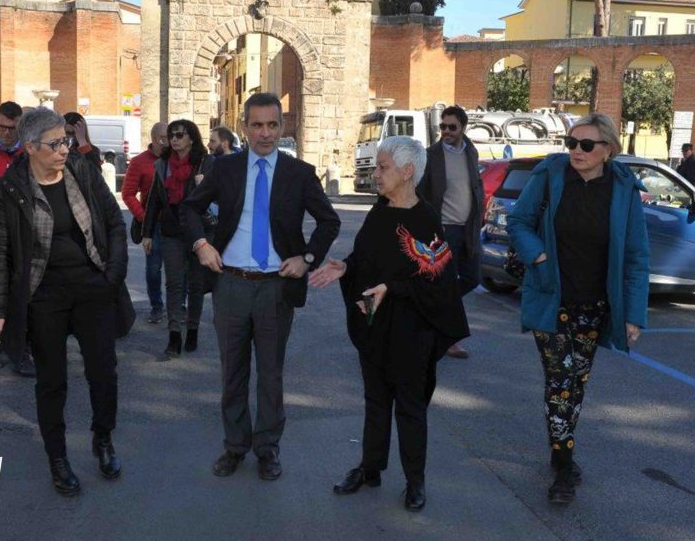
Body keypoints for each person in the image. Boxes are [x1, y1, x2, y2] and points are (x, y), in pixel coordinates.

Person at [182, 93, 341, 481]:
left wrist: (306, 258)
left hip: (275, 288)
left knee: (270, 374)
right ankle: (235, 446)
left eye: (272, 125)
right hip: (231, 285)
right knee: (232, 373)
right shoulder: (225, 168)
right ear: (245, 127)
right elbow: (189, 208)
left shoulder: (299, 173)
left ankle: (267, 449)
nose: (265, 133)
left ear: (282, 127)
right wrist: (201, 245)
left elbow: (329, 221)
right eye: (257, 125)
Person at [310, 136, 469, 512]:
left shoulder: (426, 219)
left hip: (413, 329)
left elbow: (439, 281)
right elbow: (365, 256)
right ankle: (370, 468)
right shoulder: (380, 211)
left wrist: (392, 288)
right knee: (375, 400)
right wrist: (346, 266)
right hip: (374, 323)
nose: (376, 174)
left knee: (410, 407)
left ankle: (415, 481)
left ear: (407, 171)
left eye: (383, 167)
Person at [0, 107, 127, 496]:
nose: (65, 149)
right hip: (43, 297)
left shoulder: (82, 171)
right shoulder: (10, 188)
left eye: (65, 140)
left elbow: (114, 223)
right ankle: (57, 457)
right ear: (30, 147)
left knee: (104, 373)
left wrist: (112, 278)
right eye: (55, 143)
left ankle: (103, 439)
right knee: (51, 382)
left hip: (93, 290)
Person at [507, 113, 649, 506]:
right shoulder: (550, 175)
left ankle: (560, 451)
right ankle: (565, 471)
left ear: (608, 150)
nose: (577, 151)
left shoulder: (623, 189)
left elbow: (636, 256)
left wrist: (633, 314)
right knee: (560, 382)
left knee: (575, 384)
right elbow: (518, 221)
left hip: (594, 306)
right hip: (551, 299)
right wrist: (538, 257)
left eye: (586, 145)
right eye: (572, 143)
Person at [142, 119, 214, 356]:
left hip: (199, 231)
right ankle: (174, 334)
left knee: (196, 284)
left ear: (192, 138)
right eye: (171, 135)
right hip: (171, 230)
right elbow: (154, 200)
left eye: (180, 135)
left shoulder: (205, 163)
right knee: (173, 283)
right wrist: (147, 233)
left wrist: (203, 185)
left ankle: (192, 328)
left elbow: (219, 197)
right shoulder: (163, 164)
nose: (173, 139)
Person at [417, 105, 483, 360]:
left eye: (452, 127)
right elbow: (420, 192)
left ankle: (432, 320)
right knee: (445, 284)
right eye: (443, 126)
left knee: (472, 278)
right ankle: (449, 339)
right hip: (443, 231)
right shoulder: (431, 155)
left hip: (468, 229)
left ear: (463, 128)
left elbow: (474, 188)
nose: (446, 131)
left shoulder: (471, 151)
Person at [0, 101, 35, 376]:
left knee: (23, 290)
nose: (6, 133)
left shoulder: (30, 153)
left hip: (23, 234)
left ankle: (23, 346)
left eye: (12, 128)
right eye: (1, 127)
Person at [122, 121, 169, 324]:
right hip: (153, 224)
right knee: (153, 268)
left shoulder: (176, 158)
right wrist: (144, 217)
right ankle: (156, 306)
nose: (169, 142)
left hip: (176, 224)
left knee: (179, 268)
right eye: (164, 138)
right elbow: (128, 193)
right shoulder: (139, 162)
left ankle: (180, 306)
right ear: (155, 139)